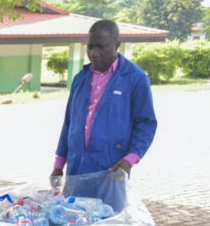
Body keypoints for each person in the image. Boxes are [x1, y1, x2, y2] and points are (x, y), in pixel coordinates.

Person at [51, 20, 157, 202]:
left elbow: (146, 123)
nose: (94, 53)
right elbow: (69, 122)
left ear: (117, 45)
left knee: (107, 222)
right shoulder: (80, 78)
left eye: (102, 47)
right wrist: (59, 164)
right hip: (77, 167)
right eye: (90, 47)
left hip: (111, 168)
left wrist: (129, 160)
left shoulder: (135, 78)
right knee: (72, 220)